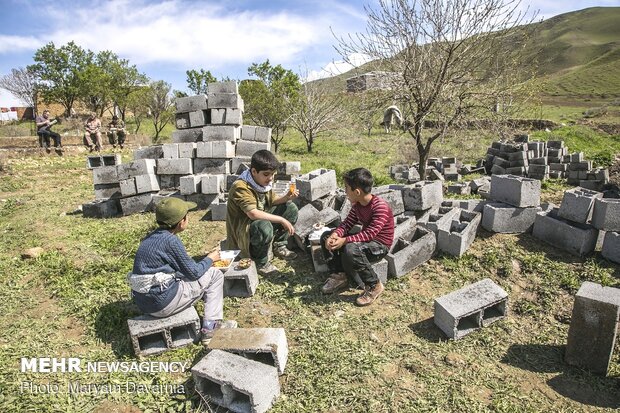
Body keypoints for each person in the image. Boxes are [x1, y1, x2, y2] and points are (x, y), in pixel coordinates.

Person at [128, 197, 236, 344]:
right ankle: (211, 330)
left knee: (196, 274)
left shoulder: (149, 238)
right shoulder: (171, 241)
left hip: (144, 304)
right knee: (215, 275)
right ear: (181, 222)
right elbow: (194, 273)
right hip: (162, 305)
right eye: (187, 216)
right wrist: (210, 258)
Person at [320, 167, 394, 306]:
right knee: (326, 236)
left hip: (379, 245)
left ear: (357, 191)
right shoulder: (357, 204)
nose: (345, 191)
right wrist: (336, 235)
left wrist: (345, 240)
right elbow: (347, 224)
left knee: (351, 248)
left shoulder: (380, 207)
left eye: (347, 188)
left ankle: (374, 285)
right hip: (365, 241)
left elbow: (370, 233)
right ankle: (339, 275)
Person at [226, 150, 299, 275]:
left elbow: (272, 200)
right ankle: (261, 262)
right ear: (254, 171)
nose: (270, 178)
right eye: (266, 174)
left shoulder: (261, 182)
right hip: (243, 232)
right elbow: (253, 213)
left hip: (257, 221)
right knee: (263, 226)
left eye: (272, 174)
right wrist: (281, 220)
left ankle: (279, 246)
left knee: (290, 209)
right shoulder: (241, 186)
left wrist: (286, 197)